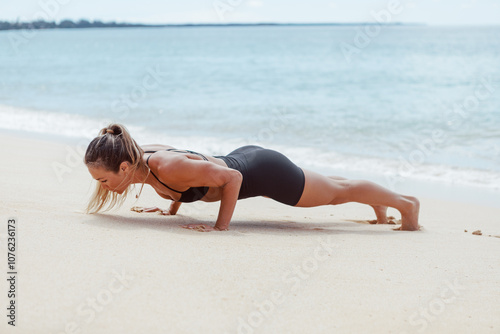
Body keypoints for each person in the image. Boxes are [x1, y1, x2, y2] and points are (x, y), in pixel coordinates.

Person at [84, 124, 420, 232]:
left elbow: (230, 178)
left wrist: (220, 229)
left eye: (102, 180)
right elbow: (186, 186)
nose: (102, 186)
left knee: (335, 193)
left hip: (261, 172)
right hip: (248, 158)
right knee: (332, 185)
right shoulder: (142, 159)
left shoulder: (166, 166)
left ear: (124, 168)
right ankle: (380, 204)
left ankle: (406, 205)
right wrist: (171, 207)